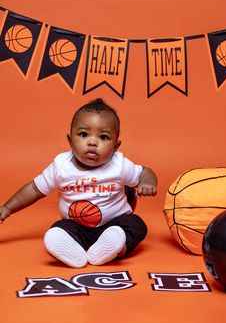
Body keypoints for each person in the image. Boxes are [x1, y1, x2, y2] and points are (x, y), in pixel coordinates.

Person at [0, 98, 157, 268]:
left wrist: (147, 182)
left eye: (103, 137)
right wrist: (7, 208)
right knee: (59, 229)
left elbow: (144, 172)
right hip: (77, 226)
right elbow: (34, 189)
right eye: (83, 134)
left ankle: (114, 246)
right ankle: (73, 251)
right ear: (69, 140)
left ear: (115, 147)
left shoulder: (119, 165)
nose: (92, 142)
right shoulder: (61, 166)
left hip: (115, 223)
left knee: (136, 224)